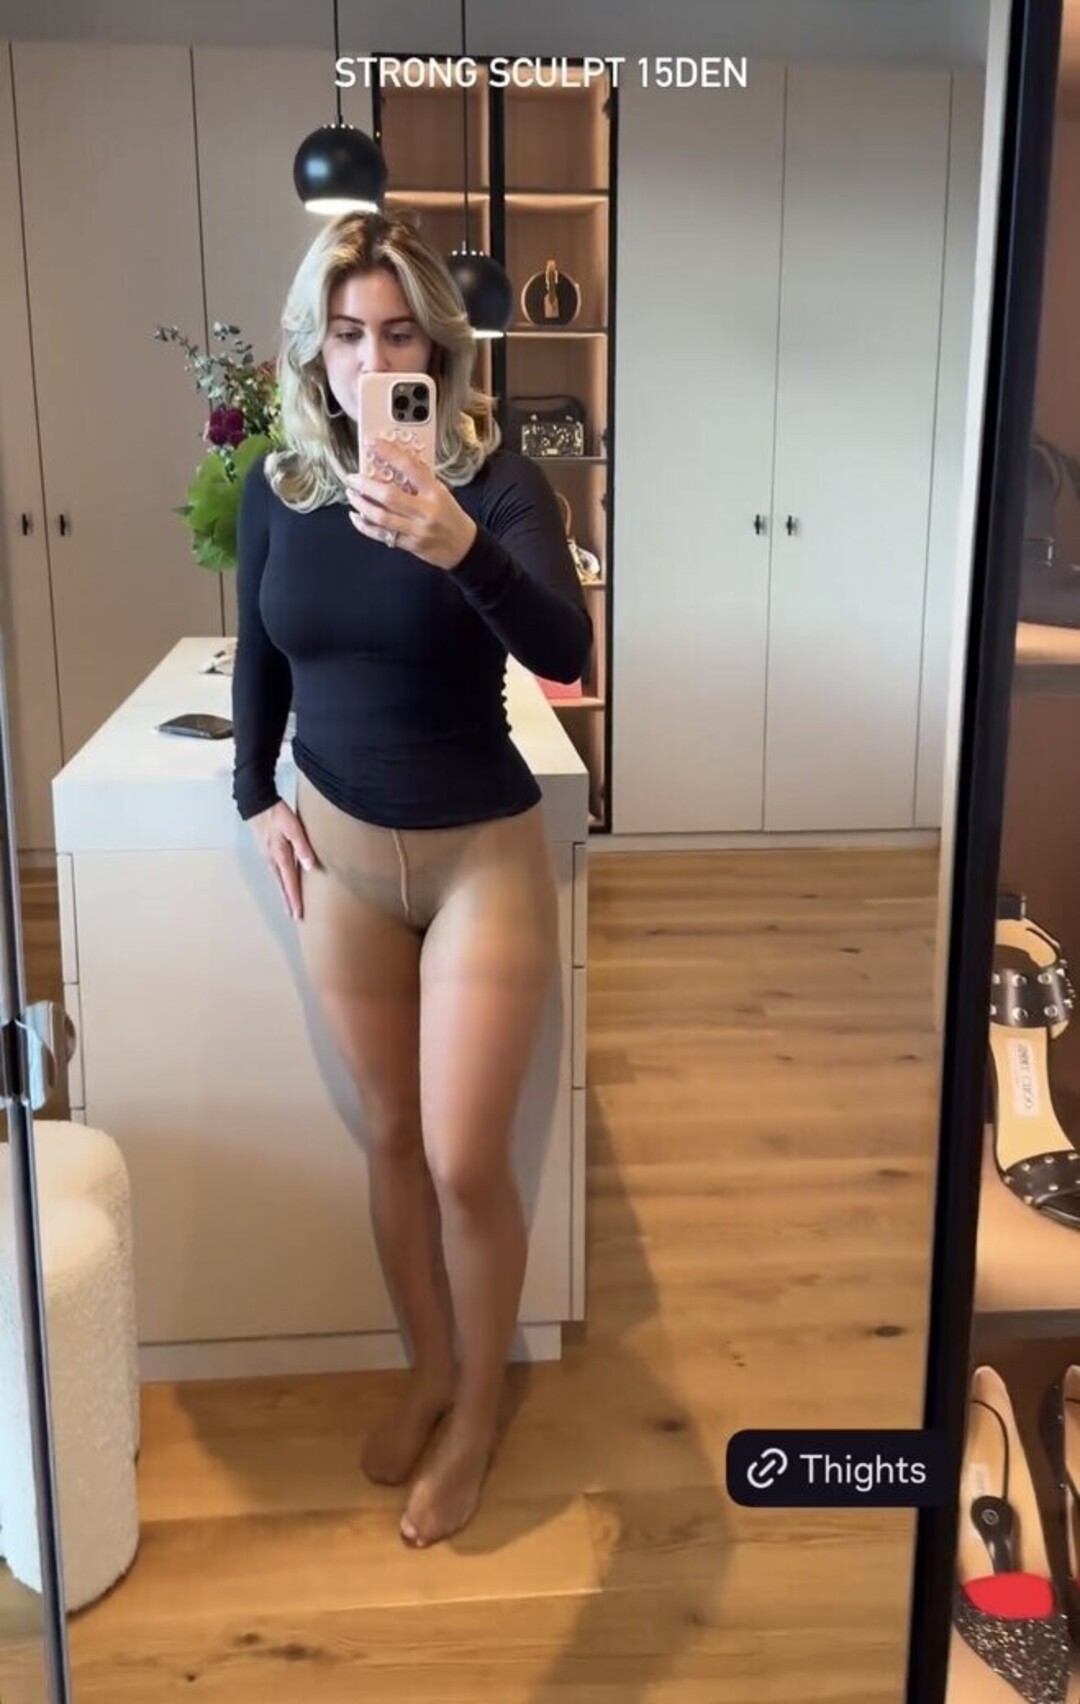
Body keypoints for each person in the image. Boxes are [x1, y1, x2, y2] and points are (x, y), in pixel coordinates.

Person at [230, 210, 593, 1549]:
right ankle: (432, 1369)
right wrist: (254, 794)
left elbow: (564, 647)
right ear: (313, 351)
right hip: (340, 852)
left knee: (463, 1160)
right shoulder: (280, 488)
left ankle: (481, 1414)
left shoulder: (497, 486)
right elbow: (260, 654)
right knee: (388, 1137)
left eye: (399, 335)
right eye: (346, 335)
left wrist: (458, 546)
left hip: (478, 854)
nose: (373, 360)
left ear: (439, 348)